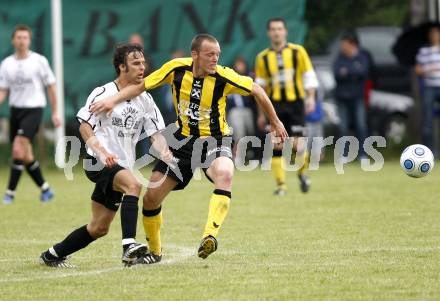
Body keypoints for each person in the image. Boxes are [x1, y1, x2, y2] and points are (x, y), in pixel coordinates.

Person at [90, 34, 288, 263]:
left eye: (217, 54)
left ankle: (210, 236)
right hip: (182, 141)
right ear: (195, 55)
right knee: (151, 198)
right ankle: (155, 253)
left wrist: (275, 121)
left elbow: (256, 89)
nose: (215, 59)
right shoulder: (176, 69)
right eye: (209, 54)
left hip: (215, 139)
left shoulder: (223, 76)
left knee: (224, 174)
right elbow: (141, 86)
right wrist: (112, 100)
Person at [40, 43, 172, 267]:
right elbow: (84, 126)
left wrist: (166, 152)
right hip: (98, 162)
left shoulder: (145, 99)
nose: (143, 68)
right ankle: (129, 246)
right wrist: (101, 151)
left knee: (99, 227)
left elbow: (154, 134)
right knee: (134, 186)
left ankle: (52, 254)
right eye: (136, 63)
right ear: (122, 67)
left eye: (143, 63)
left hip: (120, 166)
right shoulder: (103, 93)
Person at [255, 18, 318, 196]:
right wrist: (261, 114)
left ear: (285, 31)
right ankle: (281, 186)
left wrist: (311, 98)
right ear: (269, 33)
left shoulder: (298, 52)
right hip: (274, 106)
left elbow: (309, 76)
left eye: (280, 29)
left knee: (299, 146)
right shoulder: (262, 58)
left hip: (296, 105)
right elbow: (260, 88)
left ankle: (302, 173)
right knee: (277, 145)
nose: (277, 32)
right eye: (273, 29)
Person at [0, 25, 61, 204]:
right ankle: (46, 190)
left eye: (25, 37)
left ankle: (9, 194)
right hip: (16, 111)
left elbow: (51, 86)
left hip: (34, 110)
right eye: (18, 37)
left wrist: (56, 112)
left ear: (29, 40)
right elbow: (3, 90)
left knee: (18, 149)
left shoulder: (39, 61)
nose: (21, 41)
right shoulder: (7, 64)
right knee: (25, 155)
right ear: (13, 40)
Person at [333, 32, 370, 160]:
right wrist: (353, 73)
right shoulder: (339, 58)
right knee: (343, 127)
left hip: (357, 97)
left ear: (352, 44)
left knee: (361, 126)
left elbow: (363, 73)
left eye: (345, 44)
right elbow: (337, 74)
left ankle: (363, 154)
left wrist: (347, 72)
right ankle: (344, 155)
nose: (342, 47)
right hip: (342, 97)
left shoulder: (362, 57)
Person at [415, 25, 440, 156]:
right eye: (432, 33)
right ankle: (430, 151)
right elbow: (418, 69)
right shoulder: (424, 51)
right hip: (430, 87)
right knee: (428, 120)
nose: (434, 36)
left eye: (436, 33)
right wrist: (429, 68)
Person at [226, 57, 257, 162]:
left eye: (242, 64)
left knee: (251, 131)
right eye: (238, 64)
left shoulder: (248, 78)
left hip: (248, 110)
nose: (240, 66)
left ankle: (250, 154)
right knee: (239, 133)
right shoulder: (228, 79)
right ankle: (238, 157)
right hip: (234, 111)